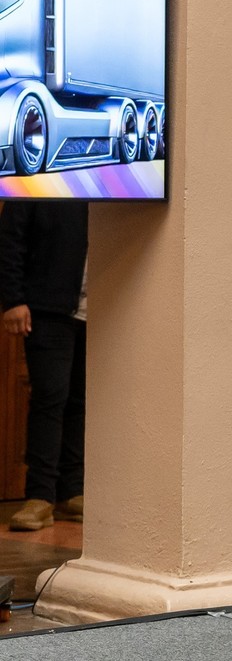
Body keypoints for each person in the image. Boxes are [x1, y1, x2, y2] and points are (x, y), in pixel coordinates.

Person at [0, 201, 89, 532]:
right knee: (50, 399)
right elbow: (10, 239)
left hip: (98, 309)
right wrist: (13, 299)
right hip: (47, 308)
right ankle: (39, 497)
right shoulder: (39, 181)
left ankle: (72, 492)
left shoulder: (115, 186)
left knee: (80, 403)